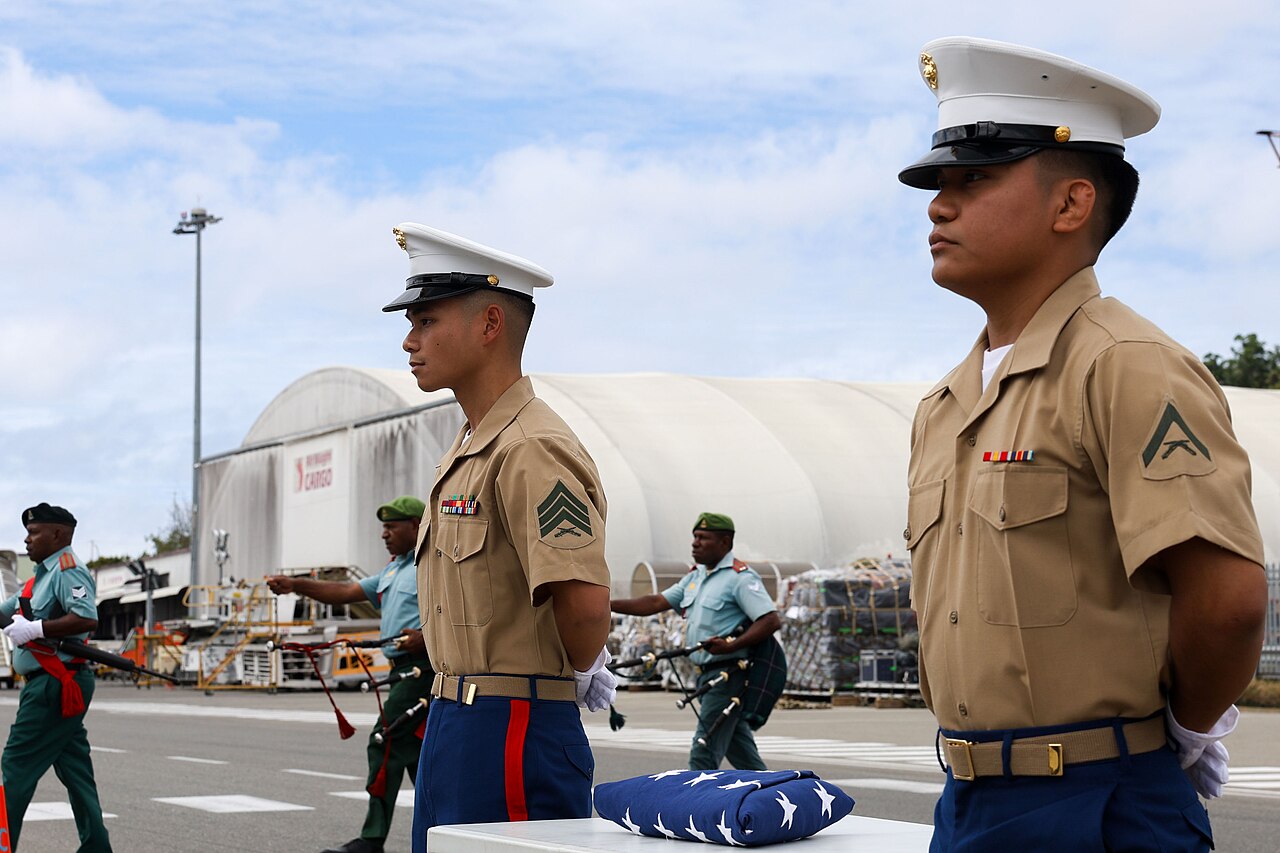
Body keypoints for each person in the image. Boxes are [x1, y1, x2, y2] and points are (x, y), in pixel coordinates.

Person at [897, 37, 1270, 851]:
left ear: (1070, 205)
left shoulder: (1124, 366)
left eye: (974, 179)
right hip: (967, 798)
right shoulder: (947, 403)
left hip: (1099, 800)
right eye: (937, 185)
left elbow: (1229, 599)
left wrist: (1183, 728)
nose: (937, 205)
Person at [382, 223, 616, 850]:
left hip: (512, 721)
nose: (410, 340)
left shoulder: (530, 447)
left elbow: (586, 608)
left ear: (489, 324)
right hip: (460, 717)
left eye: (426, 320)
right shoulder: (471, 444)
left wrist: (562, 676)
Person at [265, 496, 431, 853]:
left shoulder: (433, 566)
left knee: (383, 739)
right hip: (401, 670)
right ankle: (441, 829)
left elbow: (456, 614)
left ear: (417, 526)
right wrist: (297, 585)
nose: (383, 534)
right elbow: (344, 592)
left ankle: (372, 840)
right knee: (416, 754)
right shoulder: (392, 569)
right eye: (383, 528)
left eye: (392, 527)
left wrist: (428, 639)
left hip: (425, 671)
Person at [611, 512, 780, 771]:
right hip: (705, 676)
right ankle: (773, 796)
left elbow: (769, 620)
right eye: (694, 537)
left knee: (703, 751)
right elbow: (656, 602)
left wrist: (732, 645)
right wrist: (605, 604)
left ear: (725, 542)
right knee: (741, 753)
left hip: (727, 676)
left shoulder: (741, 578)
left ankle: (697, 808)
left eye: (703, 537)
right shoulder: (696, 577)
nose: (695, 543)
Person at [0, 503, 112, 852]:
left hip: (56, 683)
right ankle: (96, 847)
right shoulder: (39, 578)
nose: (27, 539)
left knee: (14, 768)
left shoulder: (68, 570)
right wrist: (16, 623)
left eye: (34, 532)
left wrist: (35, 627)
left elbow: (85, 618)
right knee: (76, 772)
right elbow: (5, 612)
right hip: (52, 683)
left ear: (58, 535)